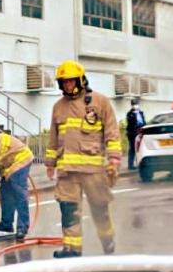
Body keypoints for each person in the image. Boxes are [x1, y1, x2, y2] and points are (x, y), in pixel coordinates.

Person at [45, 60, 120, 258]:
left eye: (71, 81)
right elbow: (53, 138)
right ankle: (72, 250)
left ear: (80, 80)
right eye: (64, 82)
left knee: (100, 209)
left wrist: (113, 159)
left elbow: (112, 133)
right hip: (67, 171)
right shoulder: (58, 107)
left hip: (93, 171)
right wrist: (50, 163)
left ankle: (108, 243)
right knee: (68, 211)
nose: (68, 85)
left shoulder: (99, 102)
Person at [125, 98, 146, 170]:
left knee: (140, 149)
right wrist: (134, 114)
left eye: (136, 104)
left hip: (141, 132)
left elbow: (144, 122)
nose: (135, 106)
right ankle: (130, 165)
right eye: (134, 104)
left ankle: (139, 163)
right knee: (132, 149)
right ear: (132, 105)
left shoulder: (141, 112)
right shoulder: (130, 114)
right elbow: (130, 123)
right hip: (132, 133)